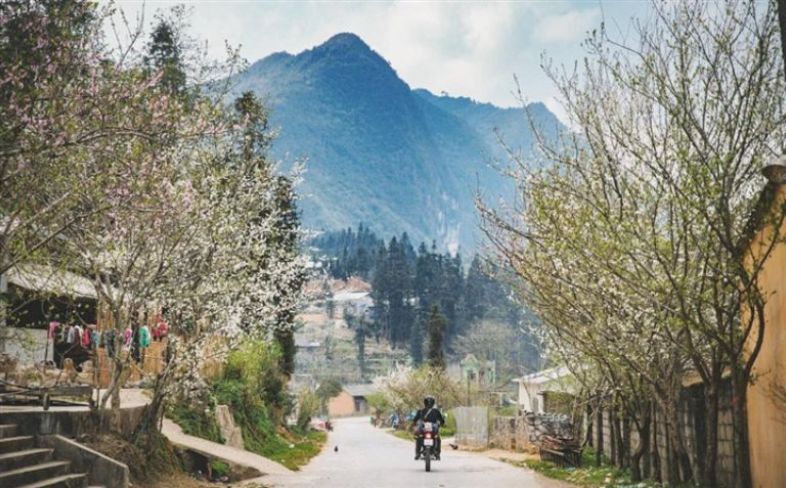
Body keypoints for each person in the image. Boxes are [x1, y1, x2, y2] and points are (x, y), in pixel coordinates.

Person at [413, 395, 445, 460]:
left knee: (419, 438)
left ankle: (418, 454)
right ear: (433, 403)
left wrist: (414, 425)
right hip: (433, 429)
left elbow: (415, 420)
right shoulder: (436, 411)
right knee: (438, 439)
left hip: (423, 429)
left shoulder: (421, 411)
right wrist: (442, 424)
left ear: (424, 402)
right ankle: (437, 454)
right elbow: (442, 420)